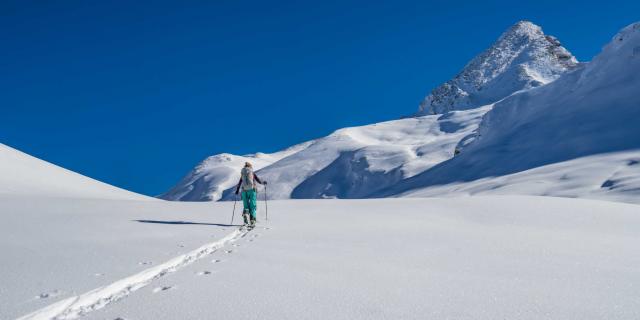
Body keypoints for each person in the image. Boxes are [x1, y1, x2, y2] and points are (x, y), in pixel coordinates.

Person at [235, 162, 267, 227]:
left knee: (246, 206)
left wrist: (237, 190)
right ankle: (252, 220)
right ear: (250, 167)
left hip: (244, 191)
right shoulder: (251, 172)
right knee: (253, 206)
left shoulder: (243, 173)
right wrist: (263, 183)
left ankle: (246, 217)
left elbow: (240, 182)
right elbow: (258, 180)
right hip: (252, 190)